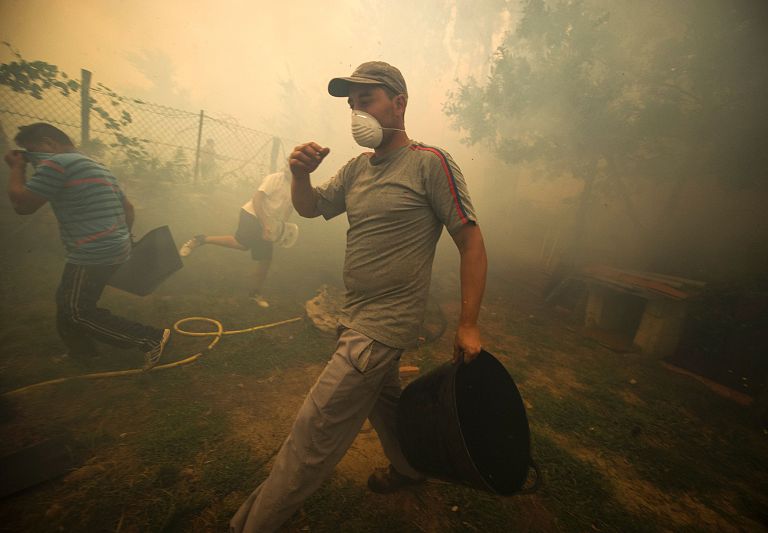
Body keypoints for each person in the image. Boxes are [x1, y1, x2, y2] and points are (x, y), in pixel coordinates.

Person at [230, 61, 488, 532]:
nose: (355, 113)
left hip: (382, 327)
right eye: (351, 104)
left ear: (399, 103)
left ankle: (252, 525)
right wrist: (300, 174)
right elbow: (310, 209)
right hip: (357, 315)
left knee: (315, 428)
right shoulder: (355, 170)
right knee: (385, 404)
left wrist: (468, 323)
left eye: (365, 100)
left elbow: (470, 240)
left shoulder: (430, 163)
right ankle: (410, 471)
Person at [3, 123, 170, 369]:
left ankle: (149, 338)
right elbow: (129, 209)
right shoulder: (97, 166)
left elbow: (23, 205)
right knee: (67, 300)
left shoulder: (56, 164)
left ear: (49, 144)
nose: (30, 158)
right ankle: (82, 354)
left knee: (76, 311)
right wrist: (124, 238)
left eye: (31, 151)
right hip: (115, 245)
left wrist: (17, 168)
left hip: (93, 251)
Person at [179, 167, 297, 308]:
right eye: (290, 164)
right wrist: (264, 223)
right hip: (252, 214)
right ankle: (199, 240)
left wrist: (281, 227)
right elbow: (257, 199)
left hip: (269, 222)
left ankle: (254, 294)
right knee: (242, 244)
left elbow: (290, 207)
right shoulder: (275, 179)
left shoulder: (298, 186)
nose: (290, 168)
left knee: (264, 259)